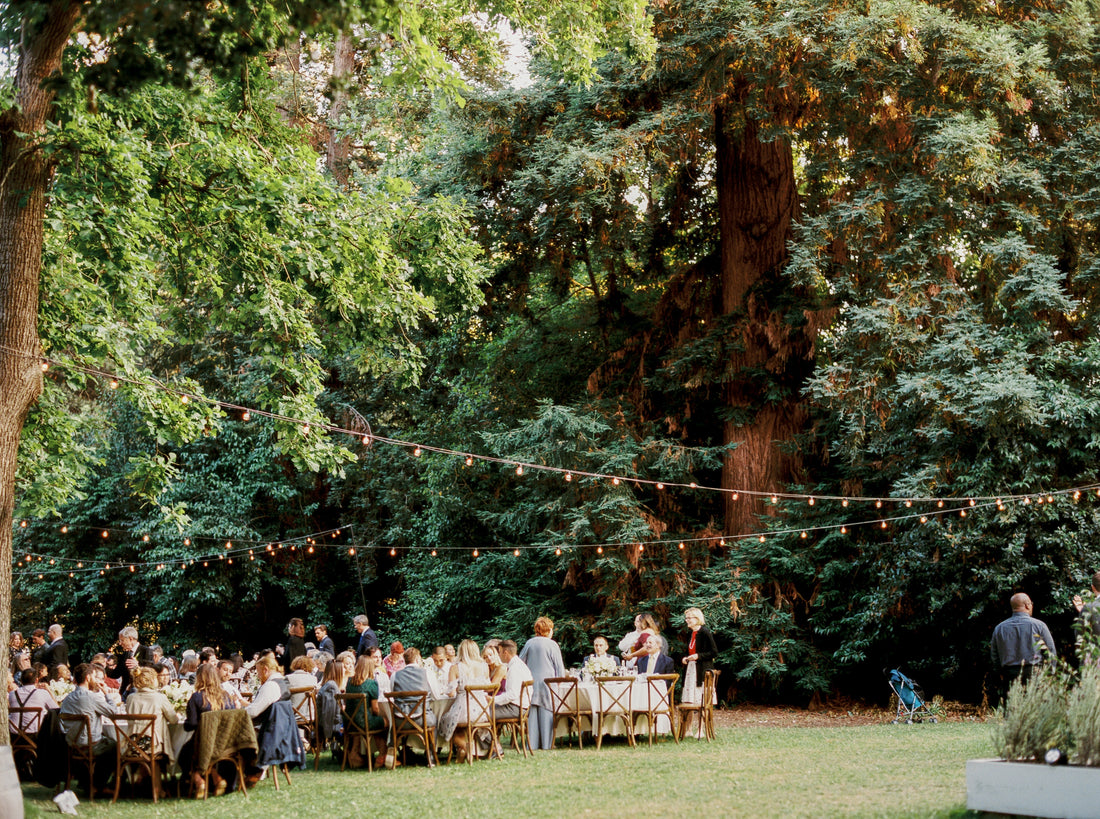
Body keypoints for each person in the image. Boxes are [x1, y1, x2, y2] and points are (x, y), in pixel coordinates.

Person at [59, 663, 119, 794]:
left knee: (107, 743)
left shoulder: (67, 699)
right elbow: (114, 713)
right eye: (94, 677)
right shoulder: (91, 698)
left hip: (71, 745)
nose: (96, 680)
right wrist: (107, 694)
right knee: (114, 746)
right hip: (90, 745)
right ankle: (98, 786)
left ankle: (87, 783)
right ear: (88, 678)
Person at [180, 664, 235, 797]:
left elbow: (191, 724)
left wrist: (184, 723)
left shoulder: (197, 697)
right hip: (225, 743)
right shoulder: (227, 696)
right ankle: (217, 779)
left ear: (199, 678)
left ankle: (199, 781)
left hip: (204, 744)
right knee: (198, 752)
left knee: (184, 755)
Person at [991, 593, 1057, 700]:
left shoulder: (999, 628)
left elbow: (994, 656)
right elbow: (1050, 652)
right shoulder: (1039, 626)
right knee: (1034, 711)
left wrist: (1001, 673)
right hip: (1034, 673)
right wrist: (1050, 674)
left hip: (1009, 674)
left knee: (1012, 711)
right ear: (1027, 605)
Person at [438, 639, 491, 760]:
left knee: (444, 721)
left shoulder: (455, 668)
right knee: (458, 726)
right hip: (482, 711)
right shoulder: (484, 666)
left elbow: (451, 693)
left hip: (464, 710)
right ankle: (467, 750)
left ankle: (466, 748)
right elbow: (487, 687)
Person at [519, 617, 566, 751]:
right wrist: (560, 682)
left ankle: (532, 744)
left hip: (531, 684)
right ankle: (547, 744)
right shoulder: (552, 645)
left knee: (532, 714)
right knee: (547, 713)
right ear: (549, 630)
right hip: (548, 684)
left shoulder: (529, 643)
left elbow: (521, 662)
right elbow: (559, 667)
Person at [125, 666, 179, 775]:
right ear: (151, 680)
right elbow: (173, 720)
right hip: (152, 745)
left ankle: (142, 777)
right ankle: (157, 787)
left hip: (133, 744)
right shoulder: (159, 698)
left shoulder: (130, 698)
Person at [344, 655, 386, 766]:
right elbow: (375, 708)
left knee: (369, 723)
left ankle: (354, 754)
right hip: (363, 722)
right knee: (385, 723)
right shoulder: (371, 684)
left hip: (349, 722)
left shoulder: (349, 682)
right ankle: (383, 754)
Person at [391, 647, 439, 726]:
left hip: (400, 721)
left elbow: (392, 696)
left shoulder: (395, 675)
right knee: (435, 720)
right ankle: (431, 739)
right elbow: (436, 696)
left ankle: (399, 738)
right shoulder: (427, 673)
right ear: (417, 659)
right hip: (422, 719)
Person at [681, 607, 718, 704]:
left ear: (697, 618)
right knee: (689, 701)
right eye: (686, 618)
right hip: (691, 669)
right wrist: (685, 657)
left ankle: (703, 719)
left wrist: (698, 656)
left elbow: (714, 652)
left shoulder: (705, 632)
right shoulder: (690, 633)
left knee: (702, 701)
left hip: (702, 670)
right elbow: (689, 650)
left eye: (689, 618)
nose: (687, 620)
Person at [9, 666, 59, 734]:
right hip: (35, 736)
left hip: (13, 735)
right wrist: (48, 690)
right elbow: (56, 709)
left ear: (21, 680)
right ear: (36, 680)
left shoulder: (12, 694)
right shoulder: (42, 693)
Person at [494, 640, 533, 721]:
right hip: (521, 706)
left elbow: (512, 694)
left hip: (517, 708)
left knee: (483, 713)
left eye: (500, 652)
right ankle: (493, 733)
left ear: (505, 653)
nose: (499, 655)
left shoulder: (515, 668)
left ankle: (486, 734)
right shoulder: (518, 664)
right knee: (486, 710)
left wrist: (493, 699)